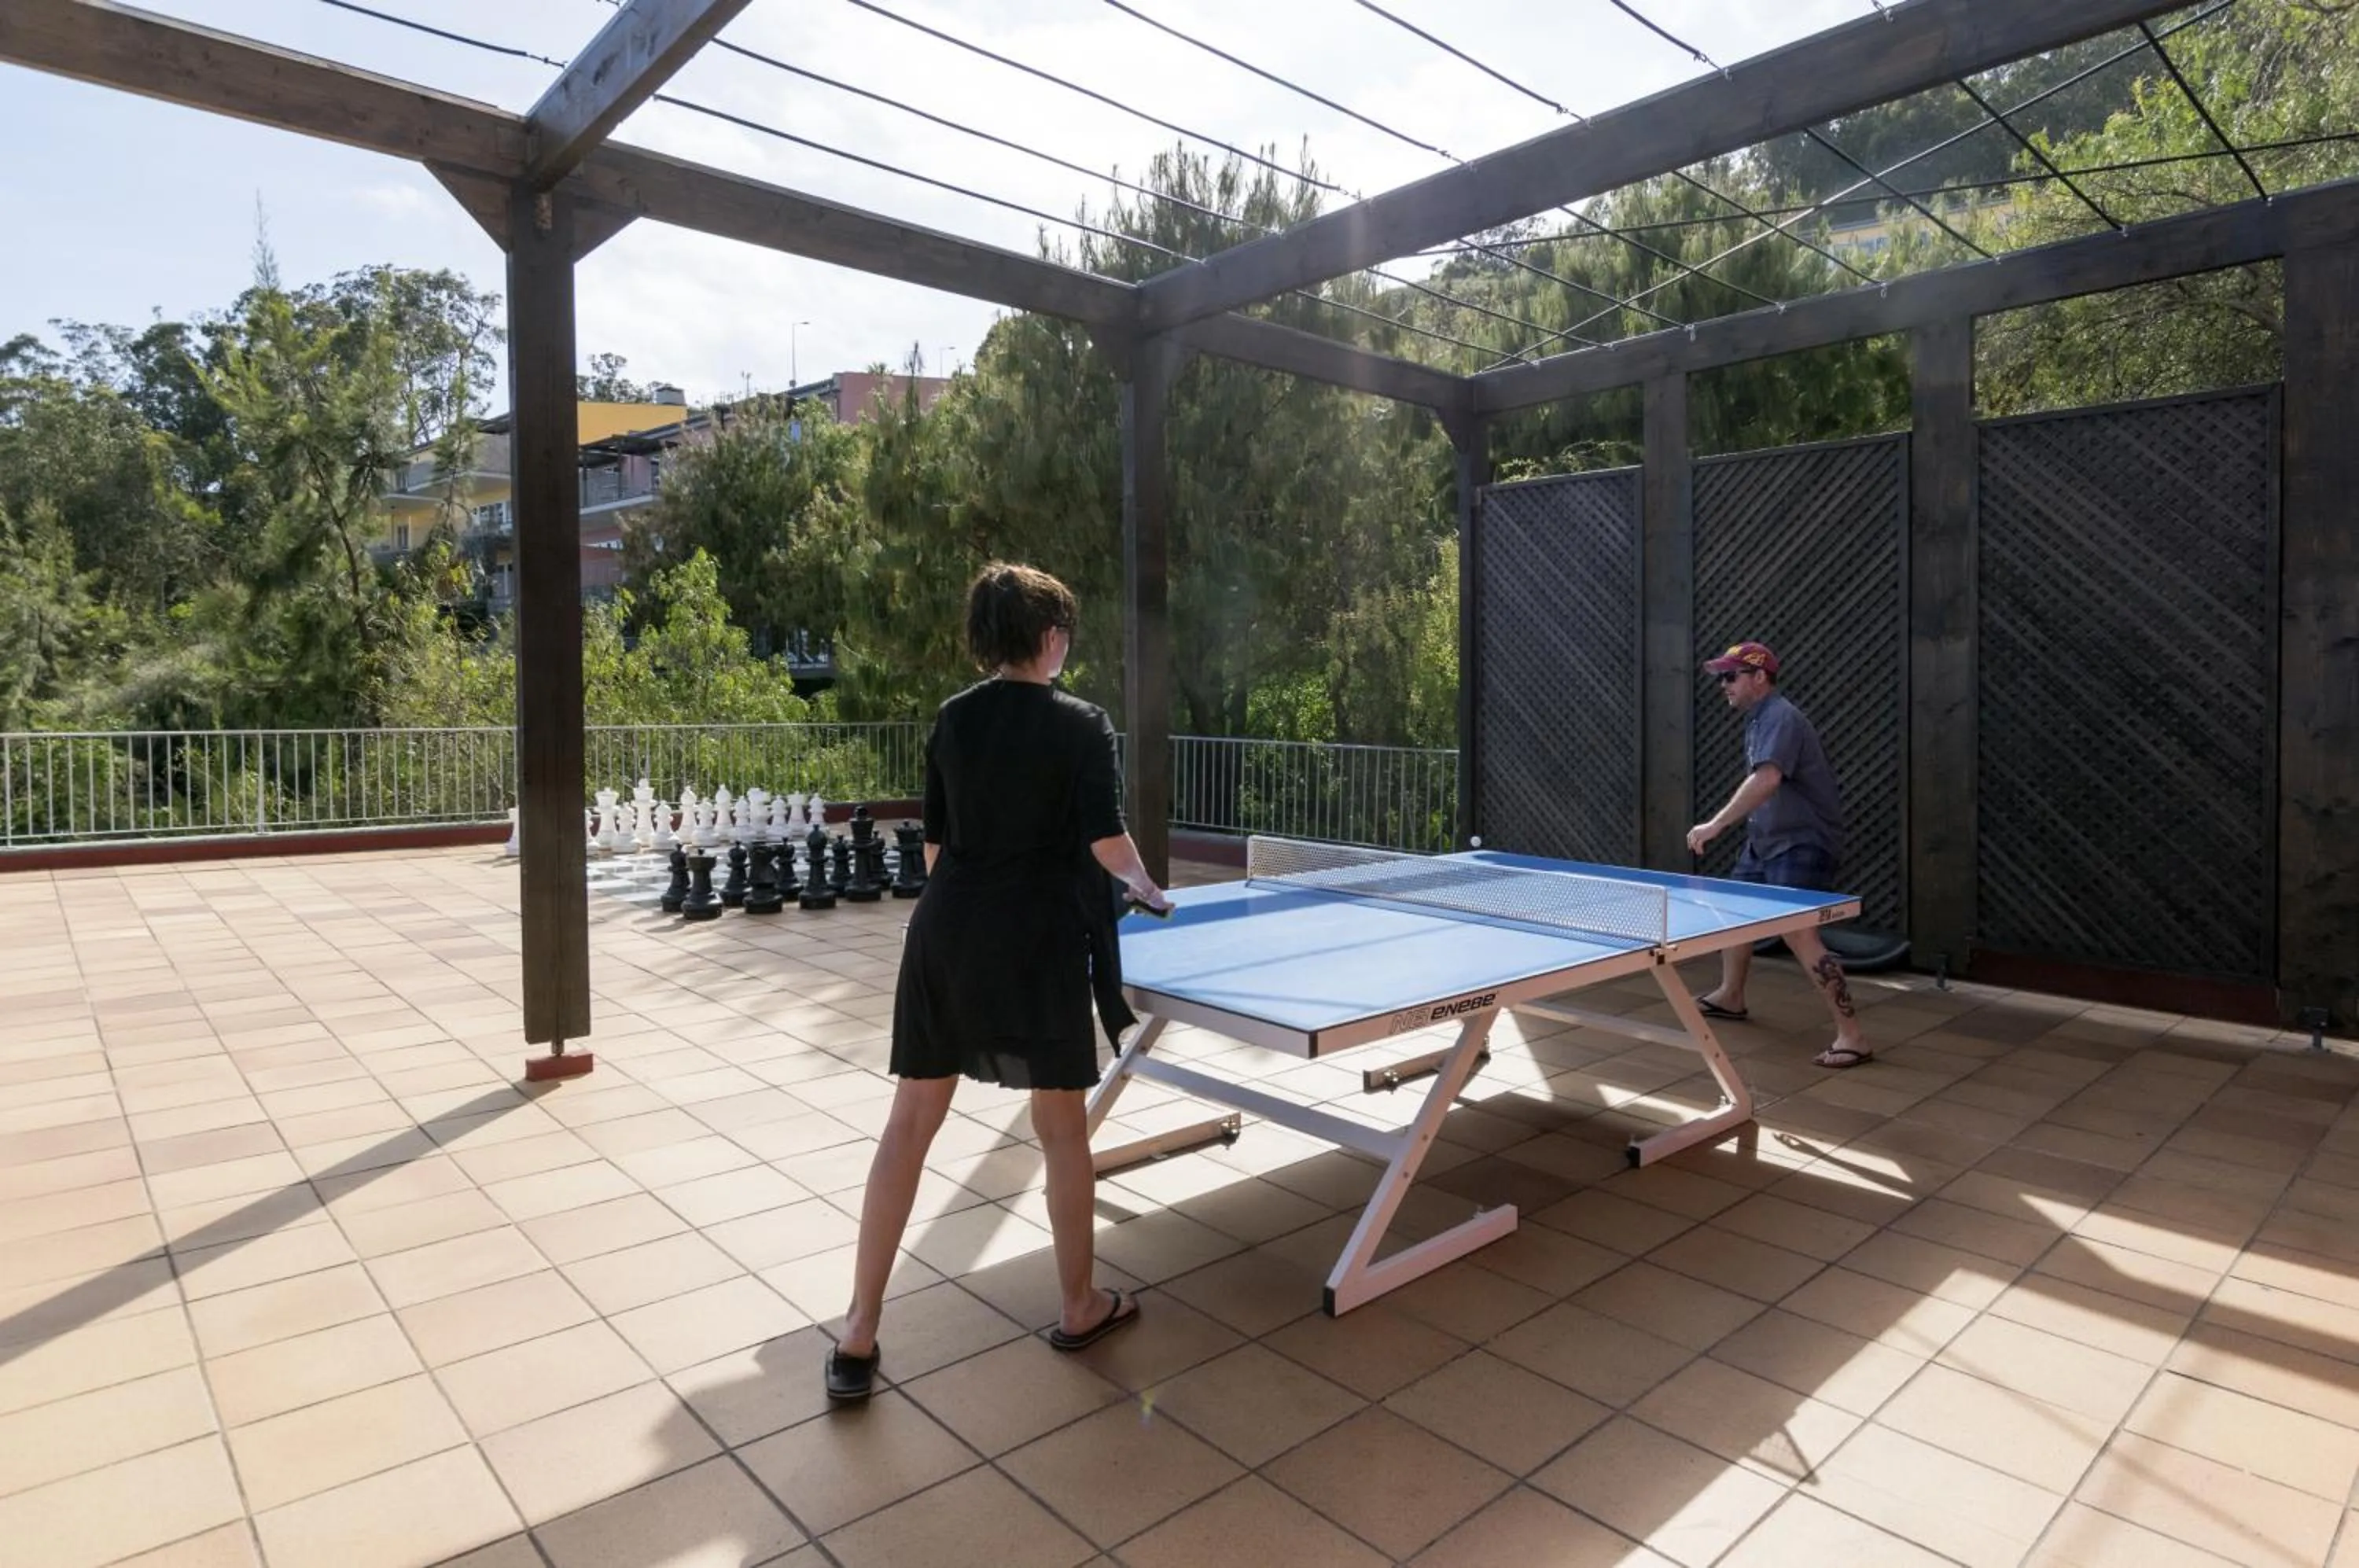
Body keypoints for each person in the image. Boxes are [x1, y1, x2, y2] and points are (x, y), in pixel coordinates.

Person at [826, 562, 1171, 1404]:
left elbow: (938, 851)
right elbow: (1106, 841)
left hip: (947, 934)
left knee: (909, 1125)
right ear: (1050, 638)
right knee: (1060, 1130)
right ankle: (1079, 1304)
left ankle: (859, 1330)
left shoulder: (951, 721)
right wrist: (1152, 888)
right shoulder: (1081, 724)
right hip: (1039, 940)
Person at [1684, 641, 1869, 1069]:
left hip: (1801, 841)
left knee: (1799, 932)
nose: (1724, 686)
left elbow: (1766, 780)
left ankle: (1854, 1036)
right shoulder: (1757, 720)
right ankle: (1731, 996)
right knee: (1733, 915)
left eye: (1731, 677)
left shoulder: (1781, 717)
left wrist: (1716, 824)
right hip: (1766, 841)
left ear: (1760, 677)